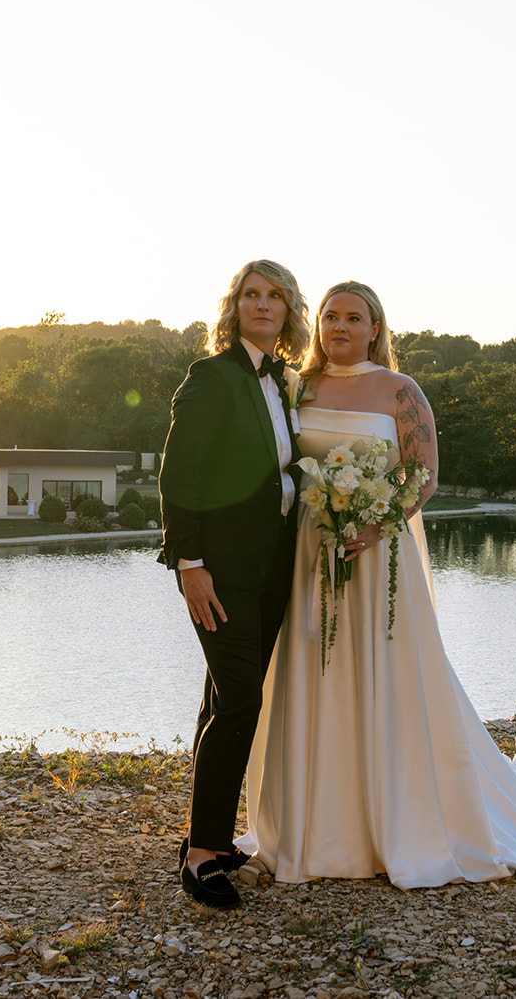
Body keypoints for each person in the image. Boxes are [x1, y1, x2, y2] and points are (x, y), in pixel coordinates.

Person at [237, 282, 516, 889]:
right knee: (311, 676)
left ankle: (396, 820)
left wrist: (372, 525)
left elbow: (422, 478)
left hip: (376, 560)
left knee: (387, 679)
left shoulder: (402, 392)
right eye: (330, 316)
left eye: (354, 317)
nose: (340, 326)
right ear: (316, 323)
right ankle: (318, 826)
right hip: (310, 556)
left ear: (376, 328)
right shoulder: (298, 387)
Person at [158, 259, 311, 908]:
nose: (262, 304)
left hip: (272, 569)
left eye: (274, 296)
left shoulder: (283, 382)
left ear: (288, 311)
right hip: (218, 572)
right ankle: (201, 859)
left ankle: (209, 836)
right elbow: (179, 474)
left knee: (222, 696)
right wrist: (189, 565)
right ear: (235, 307)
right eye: (251, 294)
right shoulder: (212, 376)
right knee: (241, 700)